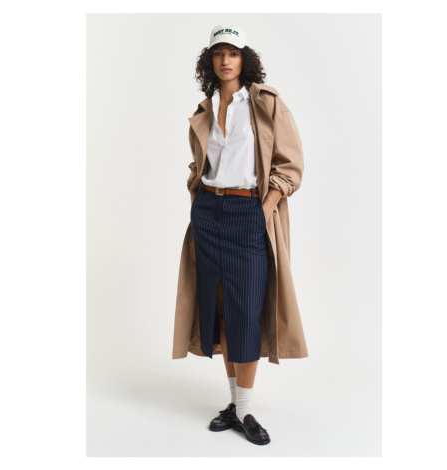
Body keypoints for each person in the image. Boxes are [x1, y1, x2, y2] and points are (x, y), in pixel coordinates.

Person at [173, 23, 308, 446]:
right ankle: (234, 405)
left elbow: (291, 164)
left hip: (248, 211)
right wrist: (197, 195)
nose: (225, 60)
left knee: (246, 312)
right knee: (221, 312)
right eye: (218, 53)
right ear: (209, 61)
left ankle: (246, 410)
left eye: (232, 53)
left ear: (244, 59)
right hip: (209, 213)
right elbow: (200, 163)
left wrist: (264, 208)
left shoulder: (265, 102)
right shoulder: (205, 107)